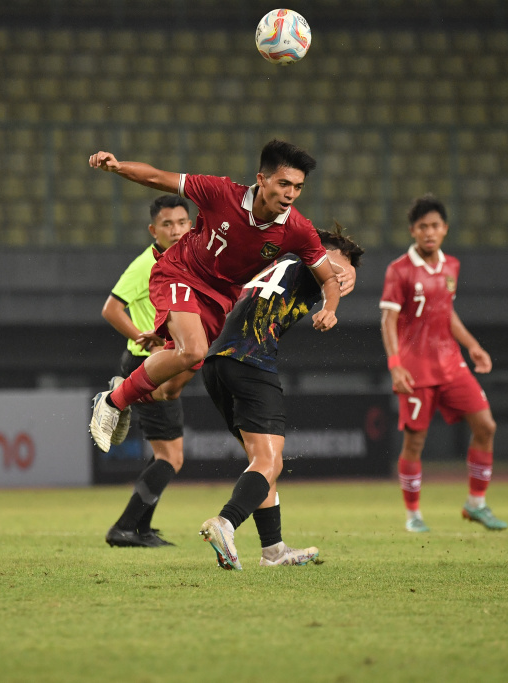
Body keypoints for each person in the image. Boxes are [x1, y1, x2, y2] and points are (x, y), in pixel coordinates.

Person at [87, 139, 351, 453]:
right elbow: (158, 177)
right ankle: (113, 403)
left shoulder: (297, 229)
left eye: (298, 187)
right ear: (261, 179)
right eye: (283, 184)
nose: (290, 193)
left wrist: (330, 308)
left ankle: (124, 391)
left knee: (170, 389)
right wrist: (118, 167)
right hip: (180, 272)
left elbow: (328, 281)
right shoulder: (221, 193)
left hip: (219, 300)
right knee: (194, 350)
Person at [199, 224, 364, 570]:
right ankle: (225, 524)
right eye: (345, 256)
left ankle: (273, 550)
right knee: (270, 461)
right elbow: (332, 269)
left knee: (261, 460)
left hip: (217, 363)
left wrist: (335, 279)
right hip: (251, 360)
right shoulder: (313, 255)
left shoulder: (278, 259)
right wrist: (340, 279)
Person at [379, 194, 508, 533]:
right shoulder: (399, 270)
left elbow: (445, 312)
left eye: (435, 225)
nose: (429, 232)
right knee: (415, 442)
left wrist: (473, 346)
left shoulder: (451, 266)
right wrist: (395, 364)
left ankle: (476, 504)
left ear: (445, 229)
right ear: (412, 231)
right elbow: (387, 321)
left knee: (486, 426)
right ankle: (413, 515)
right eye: (422, 227)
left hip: (451, 364)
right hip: (415, 369)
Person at [101, 195, 192, 548]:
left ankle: (139, 528)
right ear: (154, 230)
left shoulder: (184, 259)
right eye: (167, 224)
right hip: (146, 364)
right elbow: (111, 308)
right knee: (171, 457)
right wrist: (143, 338)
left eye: (182, 222)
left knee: (166, 456)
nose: (176, 229)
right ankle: (124, 528)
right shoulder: (145, 265)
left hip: (160, 362)